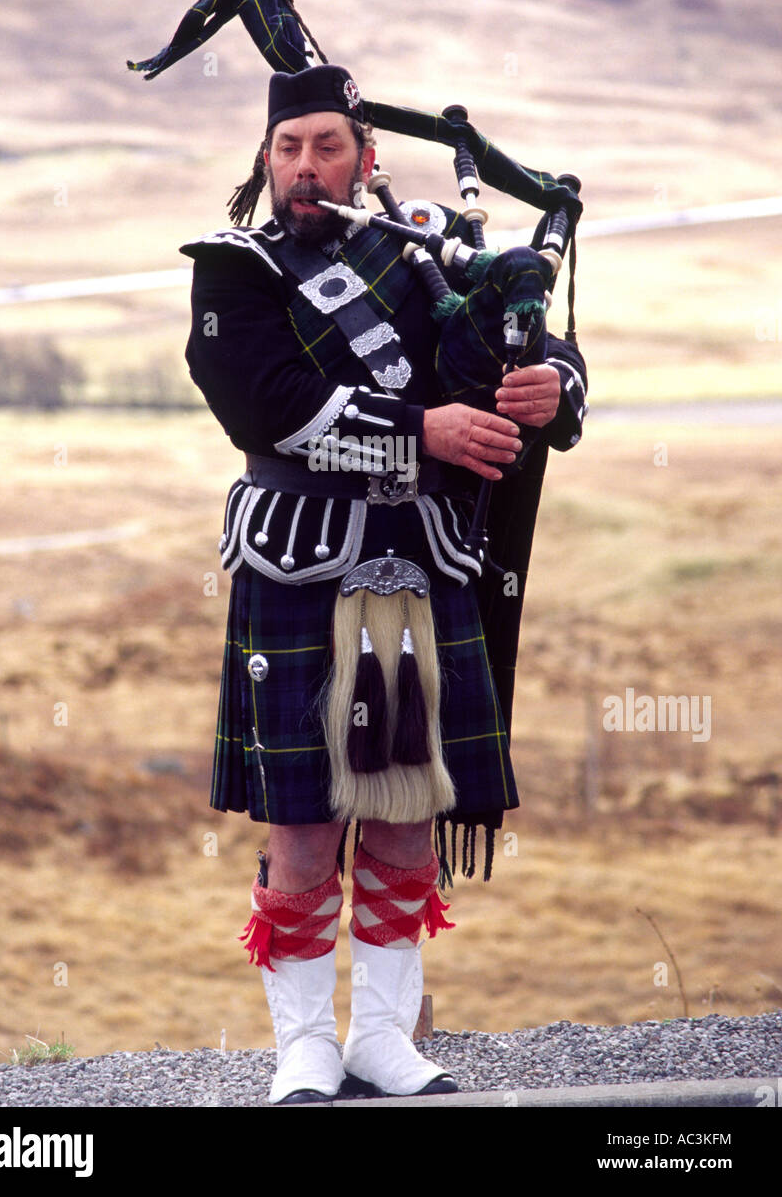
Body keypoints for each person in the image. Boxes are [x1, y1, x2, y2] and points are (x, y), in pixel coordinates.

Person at [183, 63, 587, 1104]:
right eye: (287, 149)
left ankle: (382, 1040)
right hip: (298, 560)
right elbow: (266, 405)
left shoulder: (421, 256)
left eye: (326, 146)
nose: (306, 167)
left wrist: (553, 384)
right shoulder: (234, 270)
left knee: (407, 809)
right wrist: (424, 430)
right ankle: (306, 1047)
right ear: (266, 162)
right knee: (305, 820)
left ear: (365, 158)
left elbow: (530, 343)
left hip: (416, 559)